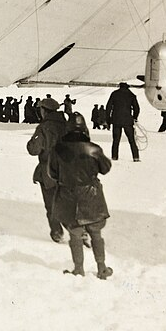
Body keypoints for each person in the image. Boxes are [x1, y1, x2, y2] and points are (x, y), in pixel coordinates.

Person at [48, 119, 113, 279]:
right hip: (92, 197)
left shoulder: (57, 149)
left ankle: (78, 269)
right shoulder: (94, 149)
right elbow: (105, 168)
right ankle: (102, 267)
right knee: (96, 234)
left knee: (75, 234)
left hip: (68, 196)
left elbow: (52, 173)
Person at [27, 97, 70, 242]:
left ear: (44, 111)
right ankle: (78, 231)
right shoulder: (67, 124)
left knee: (51, 203)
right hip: (66, 171)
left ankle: (57, 232)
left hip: (49, 172)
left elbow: (33, 149)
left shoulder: (44, 127)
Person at [104, 82, 141, 162]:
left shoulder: (114, 94)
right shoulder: (131, 95)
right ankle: (136, 157)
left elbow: (108, 107)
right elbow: (137, 108)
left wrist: (108, 120)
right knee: (132, 140)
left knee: (116, 140)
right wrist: (134, 118)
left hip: (116, 120)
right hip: (128, 121)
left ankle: (114, 157)